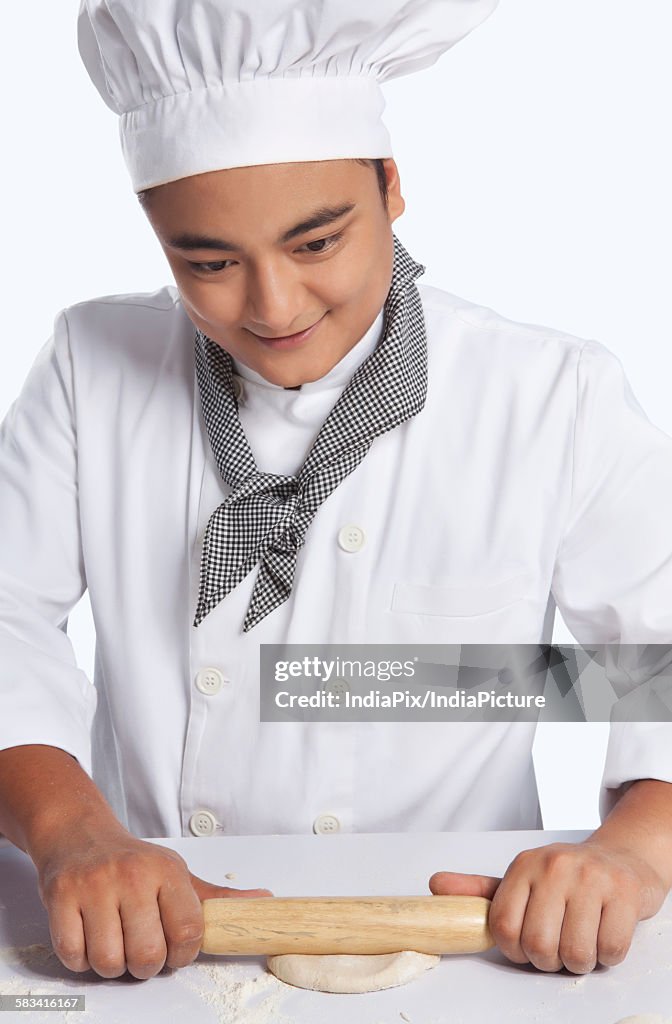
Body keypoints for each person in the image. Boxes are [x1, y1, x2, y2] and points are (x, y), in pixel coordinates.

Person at [1, 0, 672, 984]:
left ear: (393, 187)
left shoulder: (550, 394)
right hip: (150, 941)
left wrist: (632, 847)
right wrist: (71, 831)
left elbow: (652, 652)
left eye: (316, 243)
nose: (274, 307)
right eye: (209, 262)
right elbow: (5, 614)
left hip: (471, 944)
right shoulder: (89, 367)